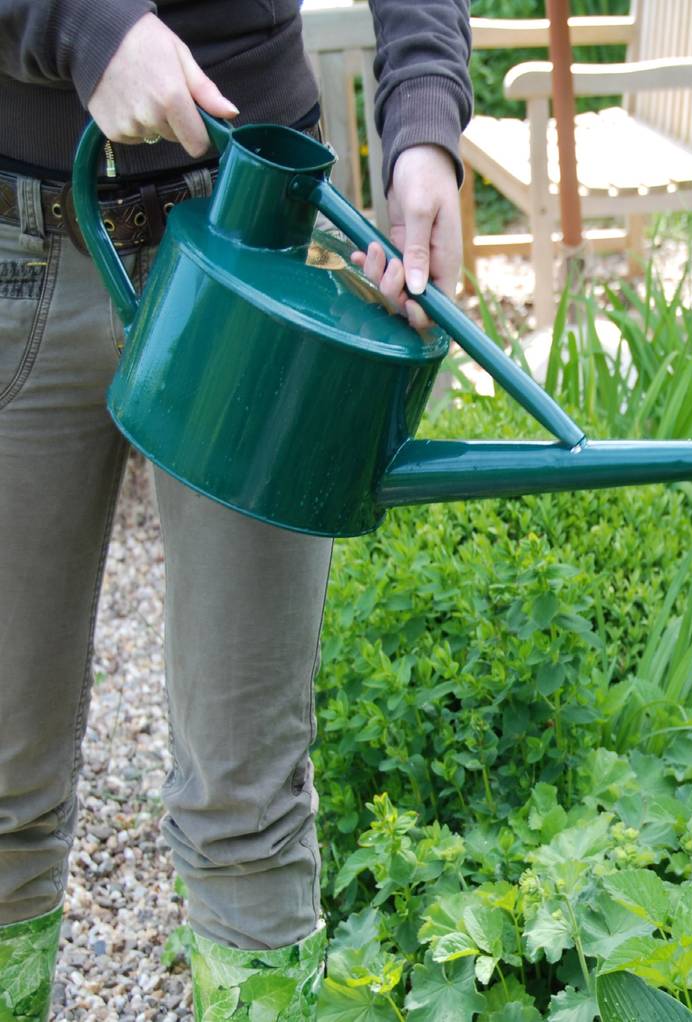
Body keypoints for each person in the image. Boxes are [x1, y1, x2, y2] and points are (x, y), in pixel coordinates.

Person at [0, 1, 471, 1017]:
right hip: (19, 236)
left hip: (259, 230)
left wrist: (425, 122)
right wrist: (80, 25)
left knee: (249, 805)